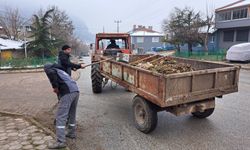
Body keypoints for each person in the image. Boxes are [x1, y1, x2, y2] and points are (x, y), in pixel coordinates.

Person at [44, 63, 83, 149]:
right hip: (75, 91)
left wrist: (55, 87)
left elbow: (51, 74)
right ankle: (71, 133)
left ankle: (60, 142)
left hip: (68, 92)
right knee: (72, 113)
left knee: (60, 117)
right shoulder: (61, 71)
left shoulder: (51, 70)